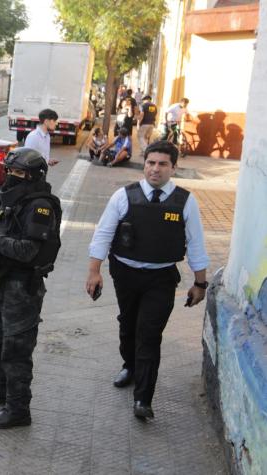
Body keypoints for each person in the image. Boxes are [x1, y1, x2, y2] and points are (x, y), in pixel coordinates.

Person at [85, 140, 209, 420]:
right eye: (151, 163)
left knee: (149, 334)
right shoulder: (123, 196)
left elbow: (196, 243)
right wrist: (95, 271)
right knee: (128, 324)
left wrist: (200, 283)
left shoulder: (185, 201)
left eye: (163, 164)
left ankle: (143, 398)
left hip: (161, 278)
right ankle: (129, 366)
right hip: (125, 273)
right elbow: (103, 234)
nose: (155, 169)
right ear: (145, 164)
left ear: (173, 167)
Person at [0, 148, 62, 429]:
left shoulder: (40, 206)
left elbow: (27, 251)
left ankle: (19, 409)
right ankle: (2, 389)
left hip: (22, 287)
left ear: (34, 176)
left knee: (16, 349)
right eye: (9, 171)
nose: (12, 177)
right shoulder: (7, 197)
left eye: (19, 173)